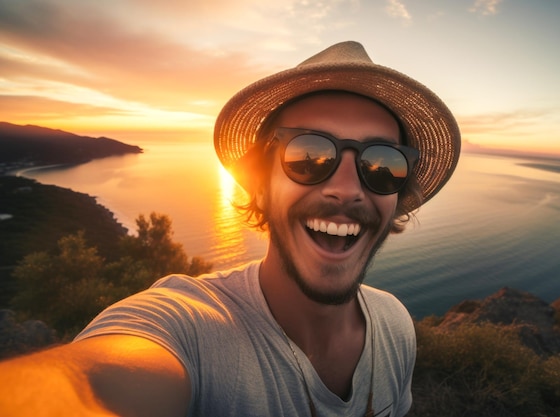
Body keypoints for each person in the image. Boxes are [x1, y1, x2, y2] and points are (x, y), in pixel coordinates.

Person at [0, 41, 460, 416]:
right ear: (260, 187)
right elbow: (91, 388)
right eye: (307, 155)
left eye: (382, 165)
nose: (346, 188)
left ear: (397, 196)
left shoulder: (395, 326)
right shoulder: (189, 329)